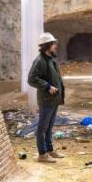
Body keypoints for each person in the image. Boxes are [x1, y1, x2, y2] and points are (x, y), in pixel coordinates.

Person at [28, 32, 66, 163]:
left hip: (53, 99)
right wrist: (48, 86)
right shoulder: (39, 61)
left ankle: (50, 150)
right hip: (46, 100)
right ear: (47, 45)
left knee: (49, 127)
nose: (55, 45)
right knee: (42, 128)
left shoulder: (50, 59)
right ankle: (42, 154)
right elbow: (31, 79)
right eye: (53, 44)